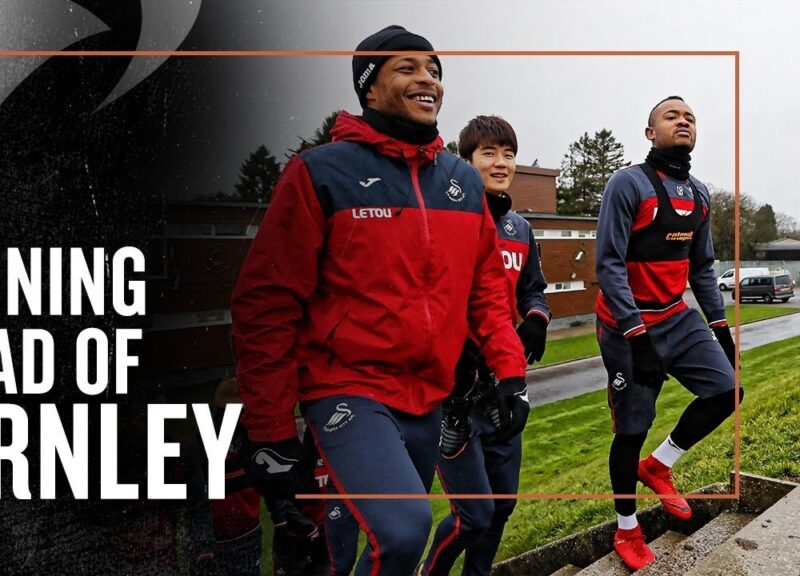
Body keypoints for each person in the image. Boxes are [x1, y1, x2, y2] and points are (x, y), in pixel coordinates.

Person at [230, 25, 527, 575]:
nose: (427, 80)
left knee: (389, 544)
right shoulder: (320, 172)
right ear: (369, 88)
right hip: (348, 388)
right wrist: (269, 431)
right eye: (407, 68)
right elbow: (265, 305)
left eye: (434, 70)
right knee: (404, 527)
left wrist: (510, 373)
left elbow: (485, 290)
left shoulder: (461, 181)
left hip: (429, 396)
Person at [595, 96, 740, 571]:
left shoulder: (699, 193)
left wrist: (720, 329)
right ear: (649, 132)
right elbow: (609, 265)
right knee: (631, 428)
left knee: (726, 392)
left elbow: (702, 267)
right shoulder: (627, 184)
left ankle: (659, 466)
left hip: (676, 316)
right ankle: (627, 529)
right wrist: (636, 336)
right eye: (671, 115)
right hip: (625, 324)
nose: (683, 120)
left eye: (690, 116)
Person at [421, 116, 550, 576]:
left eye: (509, 154)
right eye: (489, 154)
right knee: (471, 515)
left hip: (506, 388)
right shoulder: (442, 219)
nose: (501, 164)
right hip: (453, 398)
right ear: (466, 161)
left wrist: (536, 318)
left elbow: (534, 289)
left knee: (503, 506)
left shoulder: (519, 229)